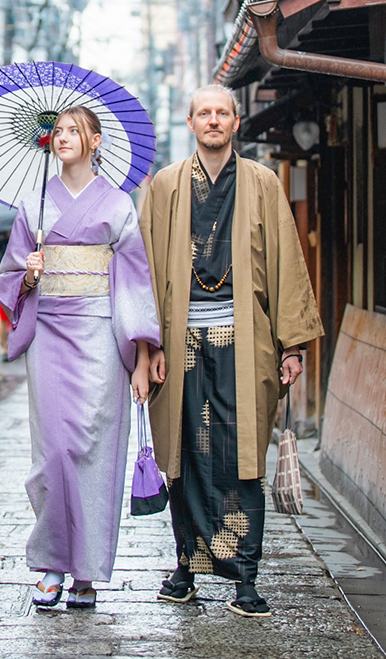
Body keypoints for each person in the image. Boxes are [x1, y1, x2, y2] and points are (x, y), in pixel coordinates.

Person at [138, 85, 323, 617]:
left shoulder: (262, 182)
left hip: (248, 341)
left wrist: (291, 345)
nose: (213, 121)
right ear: (190, 122)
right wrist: (146, 347)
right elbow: (147, 269)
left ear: (236, 122)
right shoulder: (168, 185)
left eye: (222, 112)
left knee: (243, 458)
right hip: (180, 342)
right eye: (204, 113)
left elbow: (286, 261)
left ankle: (245, 577)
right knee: (184, 454)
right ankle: (185, 565)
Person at [0, 106, 161, 610]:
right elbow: (8, 278)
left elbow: (133, 281)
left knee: (94, 449)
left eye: (74, 131)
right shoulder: (34, 203)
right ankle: (50, 563)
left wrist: (141, 356)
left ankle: (86, 571)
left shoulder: (118, 204)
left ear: (95, 140)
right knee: (53, 453)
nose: (63, 137)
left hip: (100, 335)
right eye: (58, 131)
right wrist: (29, 274)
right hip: (47, 332)